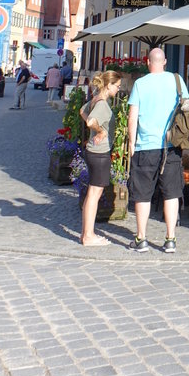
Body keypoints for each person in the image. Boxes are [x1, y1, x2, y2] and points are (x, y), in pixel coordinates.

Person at [126, 47, 189, 253]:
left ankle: (141, 238)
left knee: (142, 194)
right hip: (170, 146)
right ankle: (170, 239)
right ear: (164, 62)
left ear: (147, 62)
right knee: (171, 193)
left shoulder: (140, 84)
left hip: (145, 146)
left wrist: (131, 142)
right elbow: (187, 108)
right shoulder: (177, 81)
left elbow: (132, 116)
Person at [78, 69, 122, 246]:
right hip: (99, 153)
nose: (119, 89)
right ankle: (88, 235)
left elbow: (82, 111)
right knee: (95, 194)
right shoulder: (102, 103)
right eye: (117, 86)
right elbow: (89, 121)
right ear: (109, 85)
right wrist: (100, 130)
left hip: (93, 152)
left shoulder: (96, 99)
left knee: (92, 193)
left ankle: (86, 233)